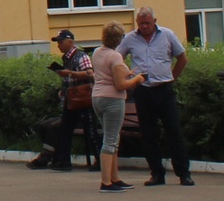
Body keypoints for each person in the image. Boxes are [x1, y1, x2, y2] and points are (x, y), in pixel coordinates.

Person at [117, 6, 192, 186]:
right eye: (141, 23)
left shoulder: (167, 35)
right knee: (149, 134)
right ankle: (157, 174)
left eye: (148, 23)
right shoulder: (130, 39)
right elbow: (117, 58)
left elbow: (182, 58)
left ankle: (183, 173)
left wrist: (173, 77)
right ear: (137, 23)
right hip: (143, 91)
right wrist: (128, 75)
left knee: (174, 132)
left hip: (164, 90)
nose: (145, 27)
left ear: (154, 22)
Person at [90, 24, 143, 192]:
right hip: (113, 99)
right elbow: (120, 85)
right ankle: (106, 182)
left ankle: (115, 178)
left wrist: (126, 74)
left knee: (111, 138)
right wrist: (137, 79)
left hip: (97, 97)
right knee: (111, 140)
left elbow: (107, 74)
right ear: (119, 39)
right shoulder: (115, 56)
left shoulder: (97, 52)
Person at [31, 30, 91, 172]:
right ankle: (56, 158)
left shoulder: (81, 56)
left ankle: (57, 160)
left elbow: (90, 73)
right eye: (58, 42)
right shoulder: (66, 58)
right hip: (69, 100)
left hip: (81, 103)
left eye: (61, 41)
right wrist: (63, 89)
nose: (58, 45)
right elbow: (69, 79)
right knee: (48, 126)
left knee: (61, 128)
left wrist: (69, 73)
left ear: (70, 41)